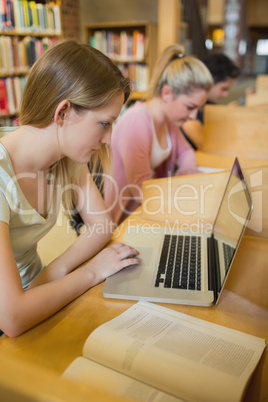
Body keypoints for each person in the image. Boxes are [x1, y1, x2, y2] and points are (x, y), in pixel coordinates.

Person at [0, 39, 140, 338]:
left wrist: (54, 273)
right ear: (62, 112)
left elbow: (102, 224)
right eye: (104, 123)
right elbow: (11, 318)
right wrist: (90, 271)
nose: (107, 138)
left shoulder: (64, 156)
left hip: (37, 292)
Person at [104, 44, 213, 225]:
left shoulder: (169, 121)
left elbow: (186, 152)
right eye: (190, 107)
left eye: (198, 108)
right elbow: (141, 190)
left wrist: (187, 172)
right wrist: (184, 190)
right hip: (126, 220)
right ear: (167, 93)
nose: (194, 116)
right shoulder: (136, 122)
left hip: (151, 208)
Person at [182, 53, 240, 150]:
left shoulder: (209, 104)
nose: (226, 95)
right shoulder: (191, 106)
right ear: (211, 81)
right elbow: (206, 145)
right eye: (223, 89)